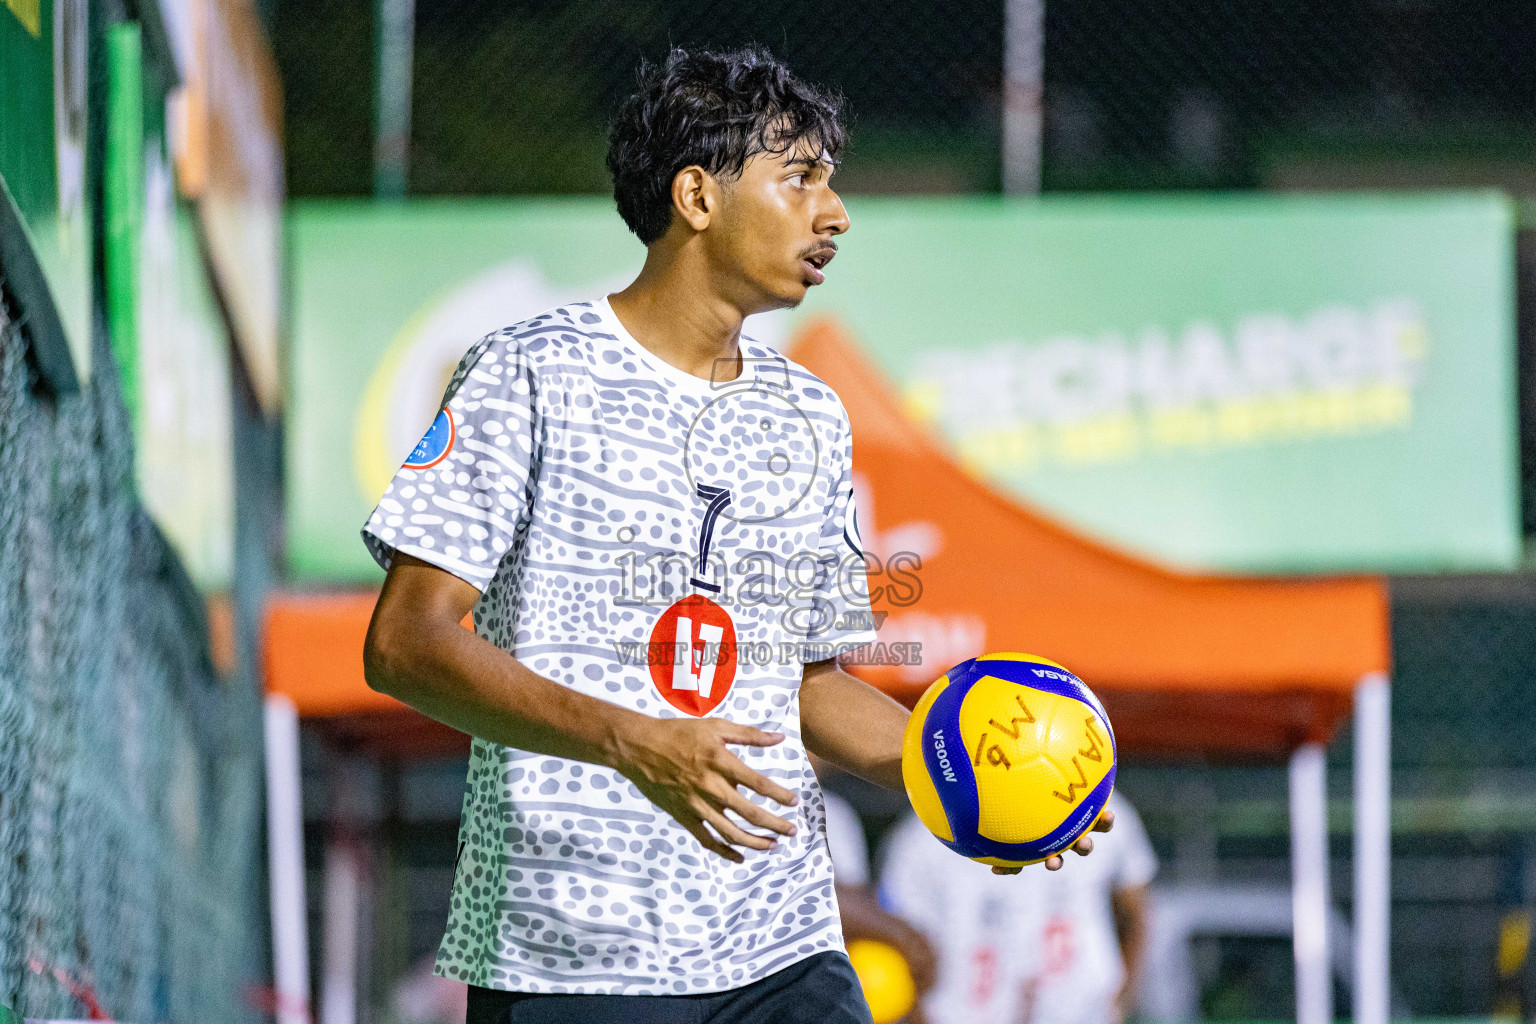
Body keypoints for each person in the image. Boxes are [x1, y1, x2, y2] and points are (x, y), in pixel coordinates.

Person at [361, 45, 1109, 1024]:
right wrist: (635, 742)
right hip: (571, 955)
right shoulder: (527, 371)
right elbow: (404, 642)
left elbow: (808, 688)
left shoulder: (811, 415)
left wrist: (969, 781)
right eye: (800, 178)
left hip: (779, 945)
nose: (835, 212)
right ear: (697, 197)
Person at [878, 792, 1155, 1024]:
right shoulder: (921, 837)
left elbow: (1135, 913)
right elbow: (904, 951)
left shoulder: (1094, 805)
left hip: (1081, 1011)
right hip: (964, 1013)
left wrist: (1118, 1006)